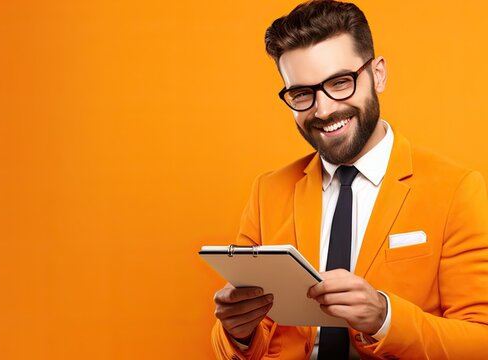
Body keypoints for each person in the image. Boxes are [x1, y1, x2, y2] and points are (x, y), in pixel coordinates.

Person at [209, 1, 488, 359]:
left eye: (341, 82)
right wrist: (237, 333)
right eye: (301, 93)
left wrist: (386, 318)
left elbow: (481, 341)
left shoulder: (456, 190)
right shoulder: (268, 192)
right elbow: (242, 345)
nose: (323, 110)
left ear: (379, 74)